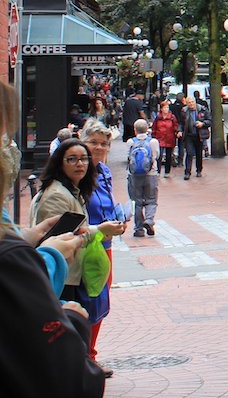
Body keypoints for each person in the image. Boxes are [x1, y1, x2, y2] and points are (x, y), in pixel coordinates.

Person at [0, 84, 106, 396]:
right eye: (5, 137)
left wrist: (25, 237)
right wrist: (71, 318)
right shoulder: (13, 258)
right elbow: (73, 378)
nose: (10, 149)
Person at [31, 135, 127, 379]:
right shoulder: (57, 195)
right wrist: (99, 230)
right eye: (72, 159)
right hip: (64, 274)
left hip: (72, 271)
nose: (80, 164)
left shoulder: (72, 190)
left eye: (83, 159)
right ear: (59, 163)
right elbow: (58, 240)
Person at [79, 118, 128, 375]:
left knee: (101, 298)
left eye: (103, 144)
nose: (99, 148)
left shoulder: (105, 172)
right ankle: (85, 357)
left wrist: (119, 218)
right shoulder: (78, 172)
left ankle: (90, 353)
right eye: (93, 142)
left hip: (104, 243)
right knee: (89, 299)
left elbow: (108, 202)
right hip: (85, 245)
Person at [125, 119, 159, 238]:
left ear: (135, 130)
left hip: (134, 176)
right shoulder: (153, 142)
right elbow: (156, 156)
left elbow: (128, 157)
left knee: (137, 202)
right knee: (151, 199)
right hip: (151, 174)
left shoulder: (130, 142)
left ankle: (138, 229)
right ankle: (149, 220)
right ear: (147, 129)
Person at [180, 96, 210, 180]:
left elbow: (209, 120)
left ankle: (199, 170)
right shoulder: (184, 111)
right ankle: (187, 172)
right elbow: (181, 123)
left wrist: (202, 123)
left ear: (195, 102)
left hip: (199, 135)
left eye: (192, 102)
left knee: (199, 153)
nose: (191, 104)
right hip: (189, 135)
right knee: (189, 153)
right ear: (186, 103)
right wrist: (179, 130)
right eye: (189, 103)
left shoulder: (202, 109)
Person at [151, 100, 181, 176]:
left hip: (170, 138)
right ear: (161, 109)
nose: (166, 109)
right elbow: (154, 128)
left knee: (168, 156)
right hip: (160, 138)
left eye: (167, 107)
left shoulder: (172, 117)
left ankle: (167, 172)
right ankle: (158, 171)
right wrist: (153, 136)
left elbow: (175, 126)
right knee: (159, 155)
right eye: (165, 108)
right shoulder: (158, 118)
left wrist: (177, 132)